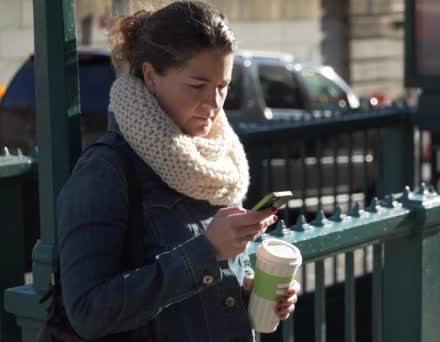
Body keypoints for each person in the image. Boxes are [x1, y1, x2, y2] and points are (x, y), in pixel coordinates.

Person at [56, 1, 300, 341]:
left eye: (223, 86)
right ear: (152, 78)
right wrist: (207, 252)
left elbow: (201, 290)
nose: (214, 104)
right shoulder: (106, 170)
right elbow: (87, 311)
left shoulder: (216, 161)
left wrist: (247, 290)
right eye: (198, 86)